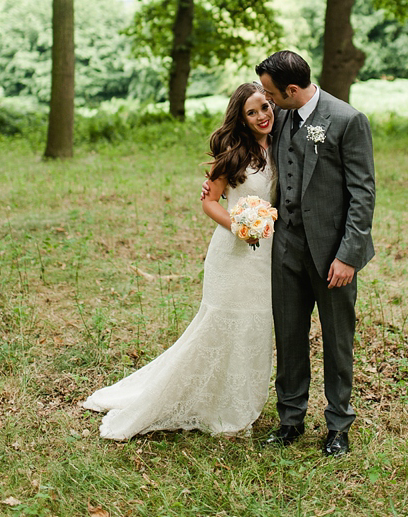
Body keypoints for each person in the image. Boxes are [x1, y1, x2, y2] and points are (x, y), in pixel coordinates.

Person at [82, 83, 276, 440]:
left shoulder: (284, 144)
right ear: (241, 117)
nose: (262, 115)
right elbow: (210, 202)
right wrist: (239, 226)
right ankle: (200, 401)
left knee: (256, 326)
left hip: (268, 254)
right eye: (252, 111)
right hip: (234, 253)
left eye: (265, 106)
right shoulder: (234, 155)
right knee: (220, 325)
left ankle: (238, 401)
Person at [256, 50, 375, 457]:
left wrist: (349, 255)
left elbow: (363, 194)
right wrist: (217, 179)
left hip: (332, 255)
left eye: (271, 94)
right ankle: (290, 421)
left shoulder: (347, 120)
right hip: (286, 245)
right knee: (289, 336)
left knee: (338, 340)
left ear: (292, 90)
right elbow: (252, 144)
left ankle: (339, 425)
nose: (267, 101)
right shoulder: (283, 116)